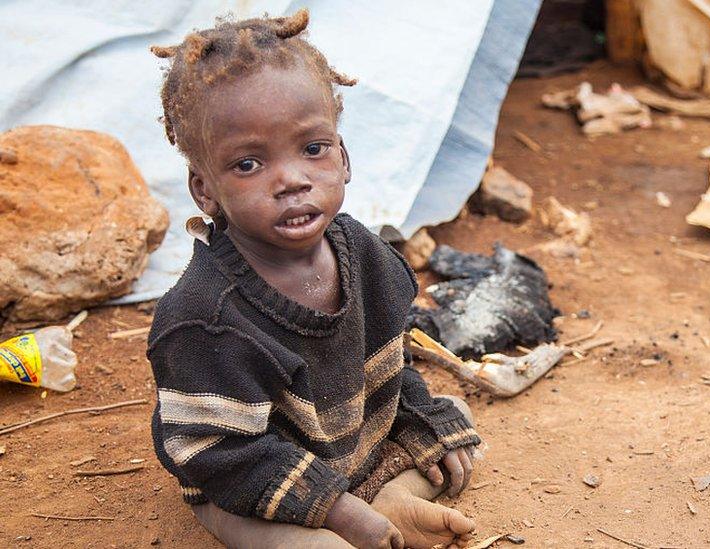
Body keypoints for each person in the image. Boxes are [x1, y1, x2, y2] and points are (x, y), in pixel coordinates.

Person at [146, 9, 481, 548]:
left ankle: (390, 499)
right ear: (205, 190)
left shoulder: (366, 254)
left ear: (343, 157)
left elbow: (393, 366)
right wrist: (337, 513)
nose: (293, 180)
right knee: (312, 543)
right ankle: (346, 516)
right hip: (253, 478)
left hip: (353, 443)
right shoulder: (206, 318)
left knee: (453, 422)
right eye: (249, 164)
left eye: (313, 149)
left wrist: (419, 420)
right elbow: (213, 453)